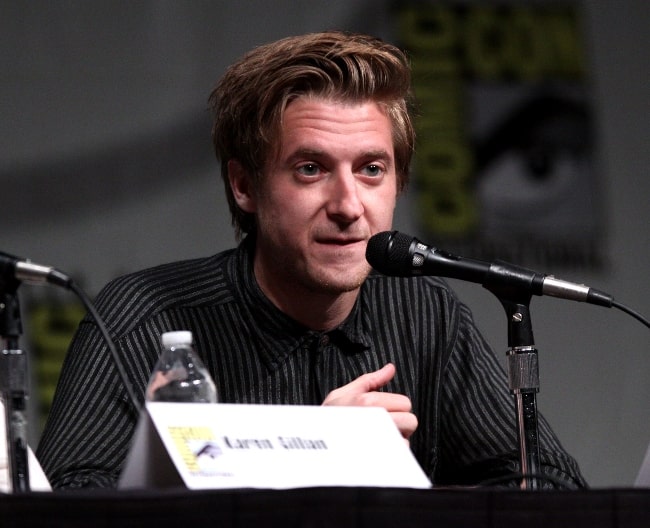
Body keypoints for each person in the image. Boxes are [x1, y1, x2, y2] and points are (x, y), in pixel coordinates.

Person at [36, 31, 586, 490]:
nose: (349, 206)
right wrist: (307, 454)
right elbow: (69, 503)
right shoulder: (143, 320)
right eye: (310, 169)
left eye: (371, 169)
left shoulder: (427, 318)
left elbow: (549, 486)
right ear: (244, 184)